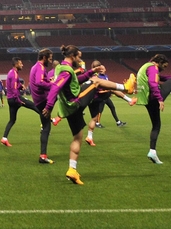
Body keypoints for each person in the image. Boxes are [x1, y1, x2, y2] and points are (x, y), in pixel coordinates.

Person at [44, 45, 134, 185]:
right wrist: (49, 106)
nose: (80, 60)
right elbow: (56, 86)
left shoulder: (61, 68)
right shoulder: (67, 70)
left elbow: (75, 81)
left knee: (77, 138)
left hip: (68, 109)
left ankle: (72, 170)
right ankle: (126, 88)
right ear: (73, 56)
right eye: (79, 57)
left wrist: (91, 71)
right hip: (75, 103)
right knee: (96, 81)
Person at [136, 54, 171, 164]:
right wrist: (160, 99)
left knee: (156, 125)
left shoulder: (146, 67)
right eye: (164, 66)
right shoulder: (153, 68)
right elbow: (153, 83)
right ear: (159, 63)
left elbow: (165, 78)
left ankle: (152, 151)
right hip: (153, 97)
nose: (164, 68)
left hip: (147, 100)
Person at [83, 60, 136, 147]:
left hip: (92, 99)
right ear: (99, 68)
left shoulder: (93, 75)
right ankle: (128, 98)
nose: (104, 69)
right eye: (102, 68)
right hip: (99, 97)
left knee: (94, 119)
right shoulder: (99, 77)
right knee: (113, 89)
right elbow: (103, 87)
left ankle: (89, 137)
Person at [0, 57, 42, 147]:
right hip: (15, 99)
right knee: (34, 106)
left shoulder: (11, 72)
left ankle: (4, 138)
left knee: (12, 120)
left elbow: (14, 86)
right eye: (20, 63)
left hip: (10, 100)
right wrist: (19, 101)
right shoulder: (14, 74)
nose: (22, 65)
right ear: (16, 64)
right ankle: (48, 120)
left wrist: (20, 86)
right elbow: (14, 89)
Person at [29, 49, 56, 164]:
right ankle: (43, 156)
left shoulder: (35, 67)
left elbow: (38, 81)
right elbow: (40, 82)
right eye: (49, 58)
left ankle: (43, 155)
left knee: (45, 127)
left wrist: (48, 81)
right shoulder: (40, 67)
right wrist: (52, 85)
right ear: (44, 57)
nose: (50, 61)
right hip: (42, 100)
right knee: (46, 128)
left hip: (38, 100)